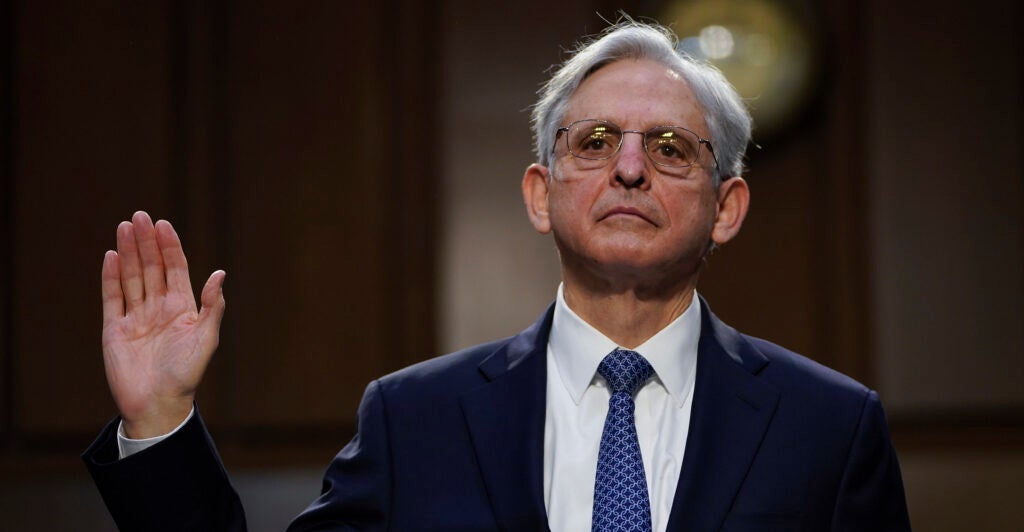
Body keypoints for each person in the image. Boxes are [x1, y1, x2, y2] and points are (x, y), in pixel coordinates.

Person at [83, 20, 911, 531]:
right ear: (540, 195)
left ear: (727, 207)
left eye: (668, 148)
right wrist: (161, 424)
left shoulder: (829, 428)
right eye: (593, 143)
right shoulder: (416, 420)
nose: (628, 169)